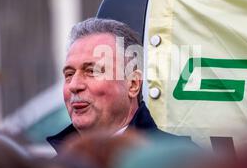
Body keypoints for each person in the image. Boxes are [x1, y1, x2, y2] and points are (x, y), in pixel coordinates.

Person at [47, 17, 187, 151]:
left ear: (133, 84)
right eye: (69, 74)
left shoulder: (180, 162)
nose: (74, 86)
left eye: (91, 71)